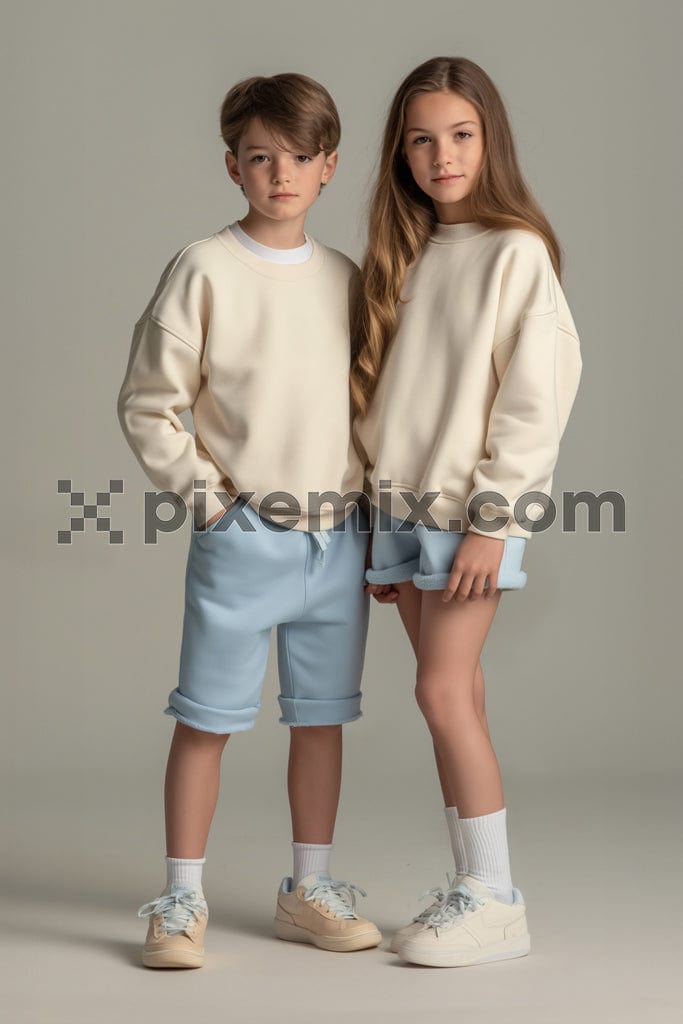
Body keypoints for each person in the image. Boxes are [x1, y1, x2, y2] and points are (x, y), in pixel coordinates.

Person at [117, 72, 381, 969]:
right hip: (243, 539)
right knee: (207, 718)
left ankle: (307, 888)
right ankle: (180, 898)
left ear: (328, 167)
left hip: (337, 540)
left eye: (299, 159)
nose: (280, 175)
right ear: (233, 166)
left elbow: (367, 413)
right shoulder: (203, 269)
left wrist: (375, 521)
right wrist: (212, 506)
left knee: (321, 718)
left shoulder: (347, 283)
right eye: (261, 158)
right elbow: (150, 405)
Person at [351, 55, 583, 968]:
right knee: (461, 695)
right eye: (420, 137)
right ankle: (472, 884)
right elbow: (387, 403)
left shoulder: (515, 251)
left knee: (440, 692)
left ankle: (495, 898)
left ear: (489, 141)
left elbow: (535, 399)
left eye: (459, 134)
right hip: (400, 513)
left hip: (466, 513)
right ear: (399, 152)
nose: (440, 154)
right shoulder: (404, 256)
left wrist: (494, 520)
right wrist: (378, 532)